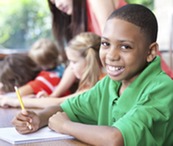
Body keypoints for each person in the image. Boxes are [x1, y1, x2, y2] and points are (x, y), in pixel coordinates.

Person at [12, 4, 173, 146]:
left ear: (151, 52)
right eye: (105, 44)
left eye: (125, 47)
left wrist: (65, 126)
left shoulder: (162, 88)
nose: (111, 55)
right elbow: (66, 108)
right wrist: (38, 118)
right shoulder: (110, 84)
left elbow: (116, 139)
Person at [0, 32, 104, 108]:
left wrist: (16, 102)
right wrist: (49, 98)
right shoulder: (88, 82)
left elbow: (59, 103)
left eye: (74, 62)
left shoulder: (100, 85)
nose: (70, 68)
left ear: (90, 61)